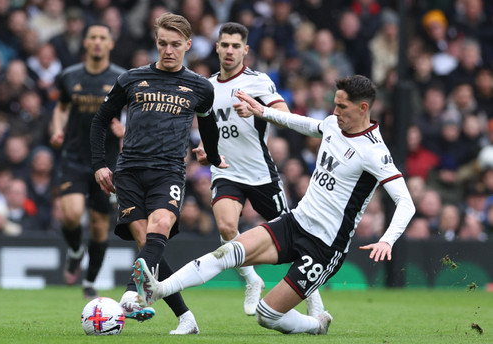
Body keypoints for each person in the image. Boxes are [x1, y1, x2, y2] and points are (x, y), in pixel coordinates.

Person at [133, 75, 416, 335]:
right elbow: (304, 124)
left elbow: (406, 202)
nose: (335, 111)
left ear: (363, 108)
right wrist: (263, 112)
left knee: (266, 315)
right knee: (228, 252)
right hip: (296, 222)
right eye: (335, 104)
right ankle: (158, 289)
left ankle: (317, 326)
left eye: (342, 107)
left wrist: (387, 240)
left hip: (325, 246)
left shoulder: (374, 153)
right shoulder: (333, 125)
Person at [90, 12, 227, 335]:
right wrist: (99, 164)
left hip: (168, 172)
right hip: (129, 172)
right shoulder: (131, 79)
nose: (168, 50)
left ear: (188, 45)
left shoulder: (200, 87)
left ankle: (130, 293)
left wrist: (215, 156)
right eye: (163, 43)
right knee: (148, 246)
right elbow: (99, 121)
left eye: (175, 45)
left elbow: (208, 125)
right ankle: (186, 318)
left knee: (160, 227)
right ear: (156, 42)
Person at [192, 22, 323, 316]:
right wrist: (205, 149)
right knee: (226, 226)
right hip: (226, 171)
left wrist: (255, 109)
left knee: (295, 239)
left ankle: (314, 301)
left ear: (245, 50)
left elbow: (286, 116)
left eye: (235, 46)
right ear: (216, 47)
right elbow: (212, 128)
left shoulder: (258, 82)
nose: (229, 50)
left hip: (261, 173)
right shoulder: (207, 87)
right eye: (224, 45)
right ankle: (252, 280)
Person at [50, 23, 127, 300]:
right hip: (74, 156)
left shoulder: (122, 78)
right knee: (70, 214)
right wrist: (57, 129)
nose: (97, 42)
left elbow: (134, 114)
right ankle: (74, 251)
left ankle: (90, 281)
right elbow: (61, 109)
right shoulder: (69, 76)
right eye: (92, 37)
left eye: (102, 37)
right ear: (85, 43)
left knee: (98, 225)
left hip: (107, 161)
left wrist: (124, 130)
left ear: (110, 43)